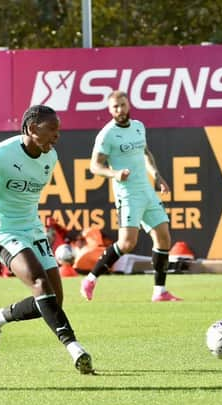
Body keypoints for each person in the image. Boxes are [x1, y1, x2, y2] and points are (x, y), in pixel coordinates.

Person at [0, 105, 94, 375]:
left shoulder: (50, 157)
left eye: (58, 131)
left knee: (53, 300)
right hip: (3, 230)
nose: (57, 137)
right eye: (51, 131)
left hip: (32, 229)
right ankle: (74, 348)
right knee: (39, 282)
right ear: (32, 129)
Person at [80, 90, 182, 302]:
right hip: (127, 194)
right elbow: (95, 166)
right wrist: (115, 173)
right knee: (127, 243)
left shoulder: (138, 127)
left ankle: (159, 291)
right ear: (110, 110)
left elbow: (145, 153)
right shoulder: (107, 134)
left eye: (122, 105)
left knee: (163, 237)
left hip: (146, 190)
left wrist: (157, 176)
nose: (120, 110)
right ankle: (91, 278)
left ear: (128, 105)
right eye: (115, 107)